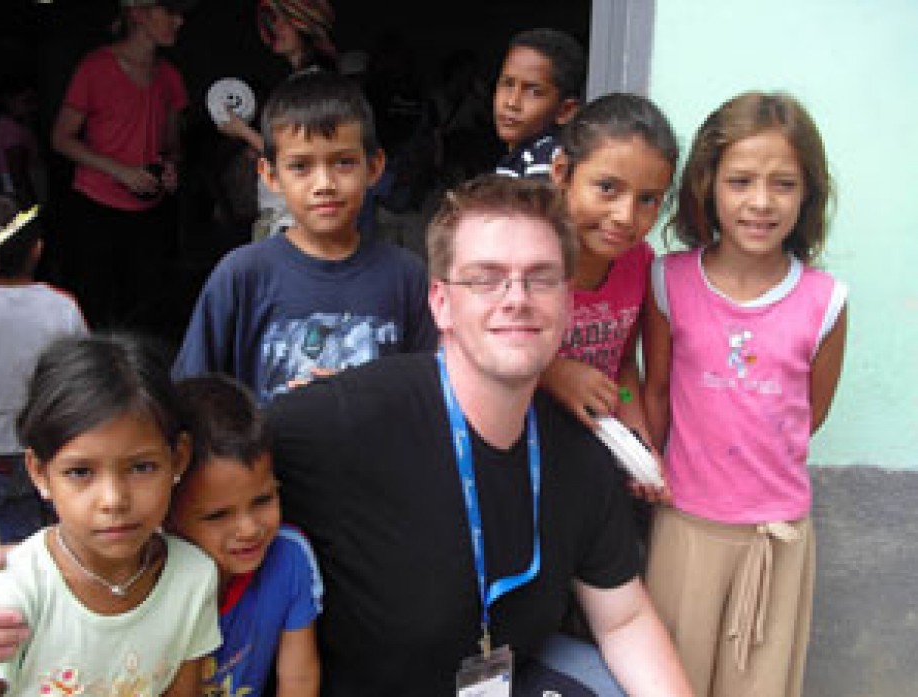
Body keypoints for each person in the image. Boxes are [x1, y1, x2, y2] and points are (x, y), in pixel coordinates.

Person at [264, 174, 692, 695]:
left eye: (541, 277)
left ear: (568, 303)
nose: (517, 298)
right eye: (486, 278)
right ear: (441, 302)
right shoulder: (340, 423)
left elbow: (623, 621)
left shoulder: (581, 453)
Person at [642, 92, 848, 697]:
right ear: (708, 186)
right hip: (685, 527)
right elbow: (656, 392)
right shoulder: (669, 280)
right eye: (740, 181)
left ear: (807, 193)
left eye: (783, 183)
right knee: (668, 678)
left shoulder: (825, 302)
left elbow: (809, 415)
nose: (761, 201)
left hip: (775, 537)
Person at [172, 71, 436, 404]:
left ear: (373, 167)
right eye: (300, 166)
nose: (324, 183)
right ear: (271, 175)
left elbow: (426, 394)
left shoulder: (406, 276)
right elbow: (194, 397)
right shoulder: (242, 275)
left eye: (343, 162)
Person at [0, 334, 221, 697]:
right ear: (39, 473)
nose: (113, 500)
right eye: (80, 472)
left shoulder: (192, 577)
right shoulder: (15, 593)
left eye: (141, 467)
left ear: (177, 458)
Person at [168, 374, 322, 697]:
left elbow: (299, 682)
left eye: (263, 500)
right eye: (218, 515)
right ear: (167, 516)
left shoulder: (289, 559)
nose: (250, 529)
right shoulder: (153, 580)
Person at [541, 93, 678, 446]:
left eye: (648, 199)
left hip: (590, 445)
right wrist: (551, 373)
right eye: (607, 188)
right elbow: (466, 346)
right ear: (562, 173)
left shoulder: (639, 262)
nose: (625, 216)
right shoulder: (524, 255)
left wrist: (639, 438)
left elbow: (623, 369)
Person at [50, 0, 191, 331]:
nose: (179, 20)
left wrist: (171, 166)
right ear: (139, 15)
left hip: (149, 211)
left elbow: (172, 147)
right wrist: (120, 171)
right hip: (97, 208)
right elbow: (61, 138)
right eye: (169, 11)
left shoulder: (169, 76)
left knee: (146, 310)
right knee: (97, 309)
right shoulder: (96, 67)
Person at [0, 197, 87, 545]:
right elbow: (83, 377)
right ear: (37, 250)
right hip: (48, 438)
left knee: (6, 538)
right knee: (51, 537)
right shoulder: (62, 306)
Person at [217, 0, 338, 240]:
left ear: (305, 27)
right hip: (286, 214)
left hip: (291, 218)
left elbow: (299, 155)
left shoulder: (312, 83)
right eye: (274, 21)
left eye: (285, 21)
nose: (276, 28)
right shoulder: (301, 82)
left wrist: (243, 132)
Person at [493, 28, 585, 179]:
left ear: (565, 111)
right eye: (508, 84)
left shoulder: (546, 159)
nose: (512, 102)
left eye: (534, 92)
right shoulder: (522, 158)